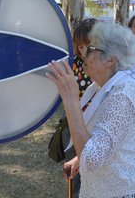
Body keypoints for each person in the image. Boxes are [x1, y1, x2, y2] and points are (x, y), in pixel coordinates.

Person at [47, 22, 135, 197]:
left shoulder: (124, 95)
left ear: (111, 59)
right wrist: (79, 158)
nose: (83, 54)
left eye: (90, 48)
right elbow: (111, 140)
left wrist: (71, 100)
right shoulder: (119, 85)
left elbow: (90, 160)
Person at [62, 18, 96, 198]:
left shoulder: (107, 66)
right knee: (75, 177)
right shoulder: (72, 64)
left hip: (97, 128)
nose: (85, 51)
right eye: (81, 46)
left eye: (89, 45)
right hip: (76, 125)